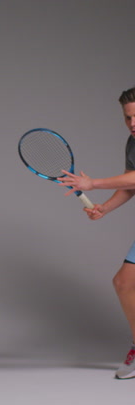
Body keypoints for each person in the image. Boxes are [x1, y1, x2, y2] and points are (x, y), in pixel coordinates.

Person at [57, 87, 135, 379]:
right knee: (124, 283)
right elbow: (131, 184)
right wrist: (104, 208)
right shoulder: (132, 143)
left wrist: (94, 184)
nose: (132, 123)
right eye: (128, 117)